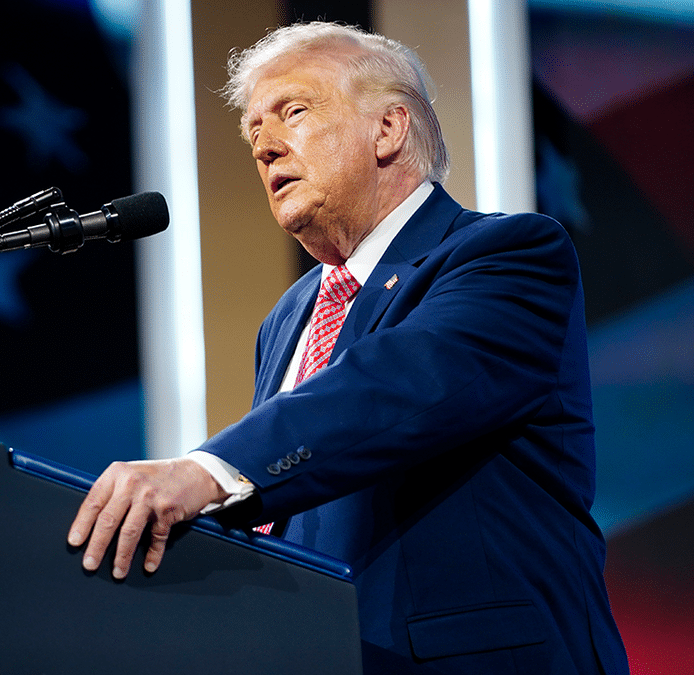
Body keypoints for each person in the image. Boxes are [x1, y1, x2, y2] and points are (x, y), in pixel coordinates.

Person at [67, 22, 628, 674]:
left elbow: (397, 385)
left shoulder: (508, 255)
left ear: (388, 129)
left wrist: (204, 471)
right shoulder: (288, 318)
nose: (266, 148)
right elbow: (293, 503)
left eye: (294, 112)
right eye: (254, 134)